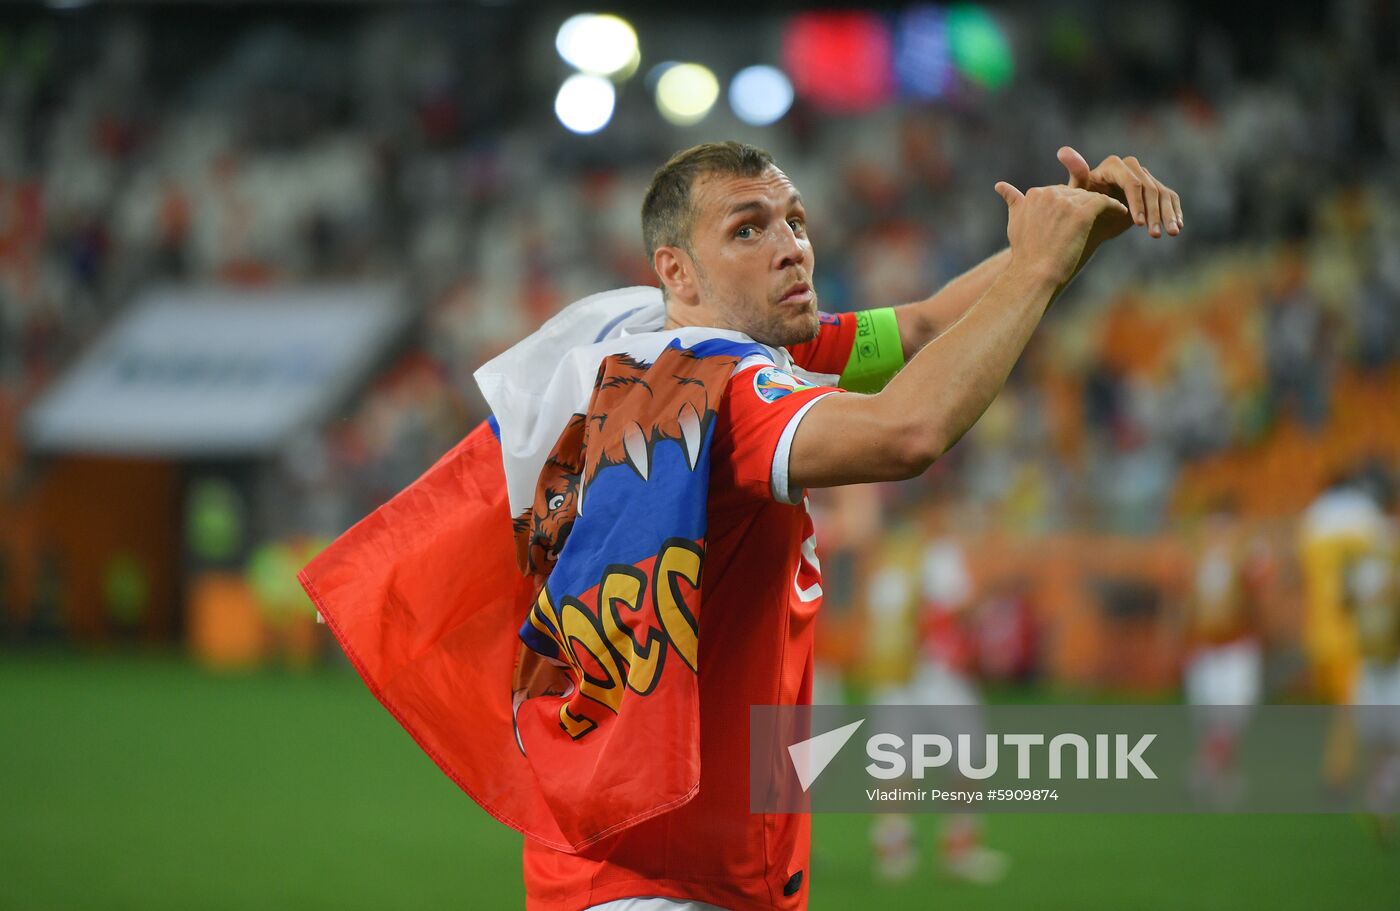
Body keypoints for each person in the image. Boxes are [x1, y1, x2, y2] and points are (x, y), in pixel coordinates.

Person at [512, 140, 1183, 911]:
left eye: (795, 219)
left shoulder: (654, 356)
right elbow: (908, 432)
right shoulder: (722, 388)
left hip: (644, 856)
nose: (791, 246)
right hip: (658, 881)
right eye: (748, 229)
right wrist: (1034, 266)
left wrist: (1073, 238)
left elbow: (929, 327)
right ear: (676, 271)